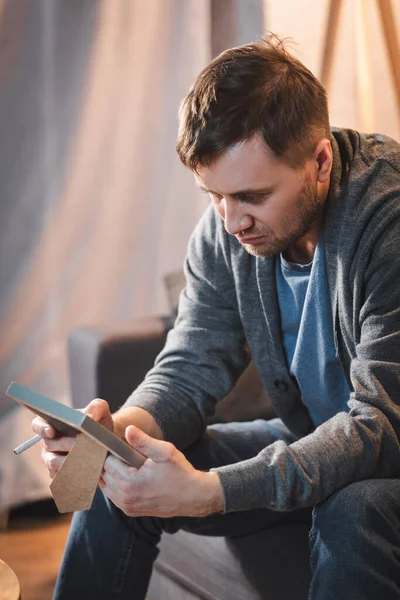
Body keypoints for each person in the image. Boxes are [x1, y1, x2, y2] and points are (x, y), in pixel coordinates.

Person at [33, 35, 400, 599]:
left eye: (251, 195)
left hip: (387, 452)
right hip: (314, 432)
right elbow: (191, 363)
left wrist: (211, 492)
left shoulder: (387, 223)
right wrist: (116, 436)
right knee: (122, 474)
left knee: (355, 508)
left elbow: (381, 428)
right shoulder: (229, 228)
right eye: (213, 196)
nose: (230, 223)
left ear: (320, 161)